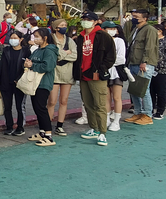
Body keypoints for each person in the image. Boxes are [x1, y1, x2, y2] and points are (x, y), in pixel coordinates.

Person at [74, 11, 116, 145]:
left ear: (95, 21)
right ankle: (94, 128)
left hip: (96, 74)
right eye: (84, 19)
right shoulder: (80, 37)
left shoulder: (102, 36)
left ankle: (103, 132)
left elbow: (111, 56)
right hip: (83, 74)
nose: (85, 21)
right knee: (88, 103)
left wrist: (101, 68)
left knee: (99, 104)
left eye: (88, 19)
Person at [23, 28, 59, 147]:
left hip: (43, 83)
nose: (35, 39)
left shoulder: (49, 51)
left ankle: (48, 135)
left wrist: (32, 65)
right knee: (37, 108)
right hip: (35, 83)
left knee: (41, 108)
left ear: (45, 38)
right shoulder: (38, 50)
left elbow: (48, 66)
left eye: (37, 36)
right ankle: (42, 132)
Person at [122, 8, 158, 125]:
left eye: (136, 17)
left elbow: (150, 47)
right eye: (133, 16)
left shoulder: (149, 30)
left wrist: (145, 61)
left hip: (143, 63)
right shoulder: (136, 30)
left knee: (143, 90)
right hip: (133, 62)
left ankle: (147, 114)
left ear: (145, 18)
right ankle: (138, 112)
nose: (133, 18)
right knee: (134, 89)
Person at [0, 30, 30, 136]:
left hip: (20, 83)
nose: (12, 40)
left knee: (20, 106)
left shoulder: (26, 51)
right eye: (11, 38)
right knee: (7, 107)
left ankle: (20, 127)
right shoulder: (6, 51)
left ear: (21, 39)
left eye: (15, 38)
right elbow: (1, 66)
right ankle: (9, 126)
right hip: (6, 82)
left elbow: (26, 68)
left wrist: (19, 78)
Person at [48, 19, 77, 136]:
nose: (64, 27)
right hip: (54, 73)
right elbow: (53, 54)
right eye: (61, 25)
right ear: (56, 27)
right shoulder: (51, 39)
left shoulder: (70, 41)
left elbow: (75, 56)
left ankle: (60, 125)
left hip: (67, 73)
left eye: (65, 25)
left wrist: (61, 54)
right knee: (52, 101)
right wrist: (66, 53)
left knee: (64, 100)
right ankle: (47, 125)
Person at [104, 22, 127, 132]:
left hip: (116, 72)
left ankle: (116, 120)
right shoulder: (102, 41)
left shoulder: (119, 41)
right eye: (109, 28)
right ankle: (107, 118)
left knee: (117, 97)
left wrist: (106, 62)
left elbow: (121, 58)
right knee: (106, 97)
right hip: (104, 72)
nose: (112, 30)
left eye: (114, 28)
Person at [150, 24, 166, 119]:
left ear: (160, 31)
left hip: (162, 71)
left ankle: (160, 111)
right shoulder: (151, 41)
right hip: (150, 69)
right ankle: (150, 109)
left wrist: (163, 64)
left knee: (161, 91)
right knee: (151, 91)